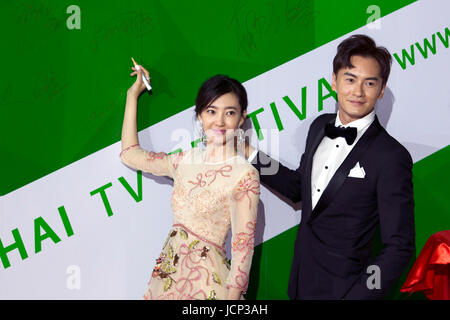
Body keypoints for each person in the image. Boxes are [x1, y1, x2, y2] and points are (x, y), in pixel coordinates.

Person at [246, 34, 415, 299]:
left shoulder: (391, 156)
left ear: (381, 90)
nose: (358, 92)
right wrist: (249, 154)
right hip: (300, 284)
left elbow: (400, 247)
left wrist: (360, 295)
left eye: (369, 83)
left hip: (345, 291)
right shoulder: (318, 127)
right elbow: (296, 187)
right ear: (334, 82)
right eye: (350, 79)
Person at [120, 61, 260, 300]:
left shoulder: (244, 174)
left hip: (208, 288)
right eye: (211, 111)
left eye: (230, 113)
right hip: (167, 280)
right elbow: (130, 154)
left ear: (241, 118)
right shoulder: (185, 160)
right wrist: (132, 95)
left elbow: (242, 248)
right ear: (200, 116)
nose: (220, 121)